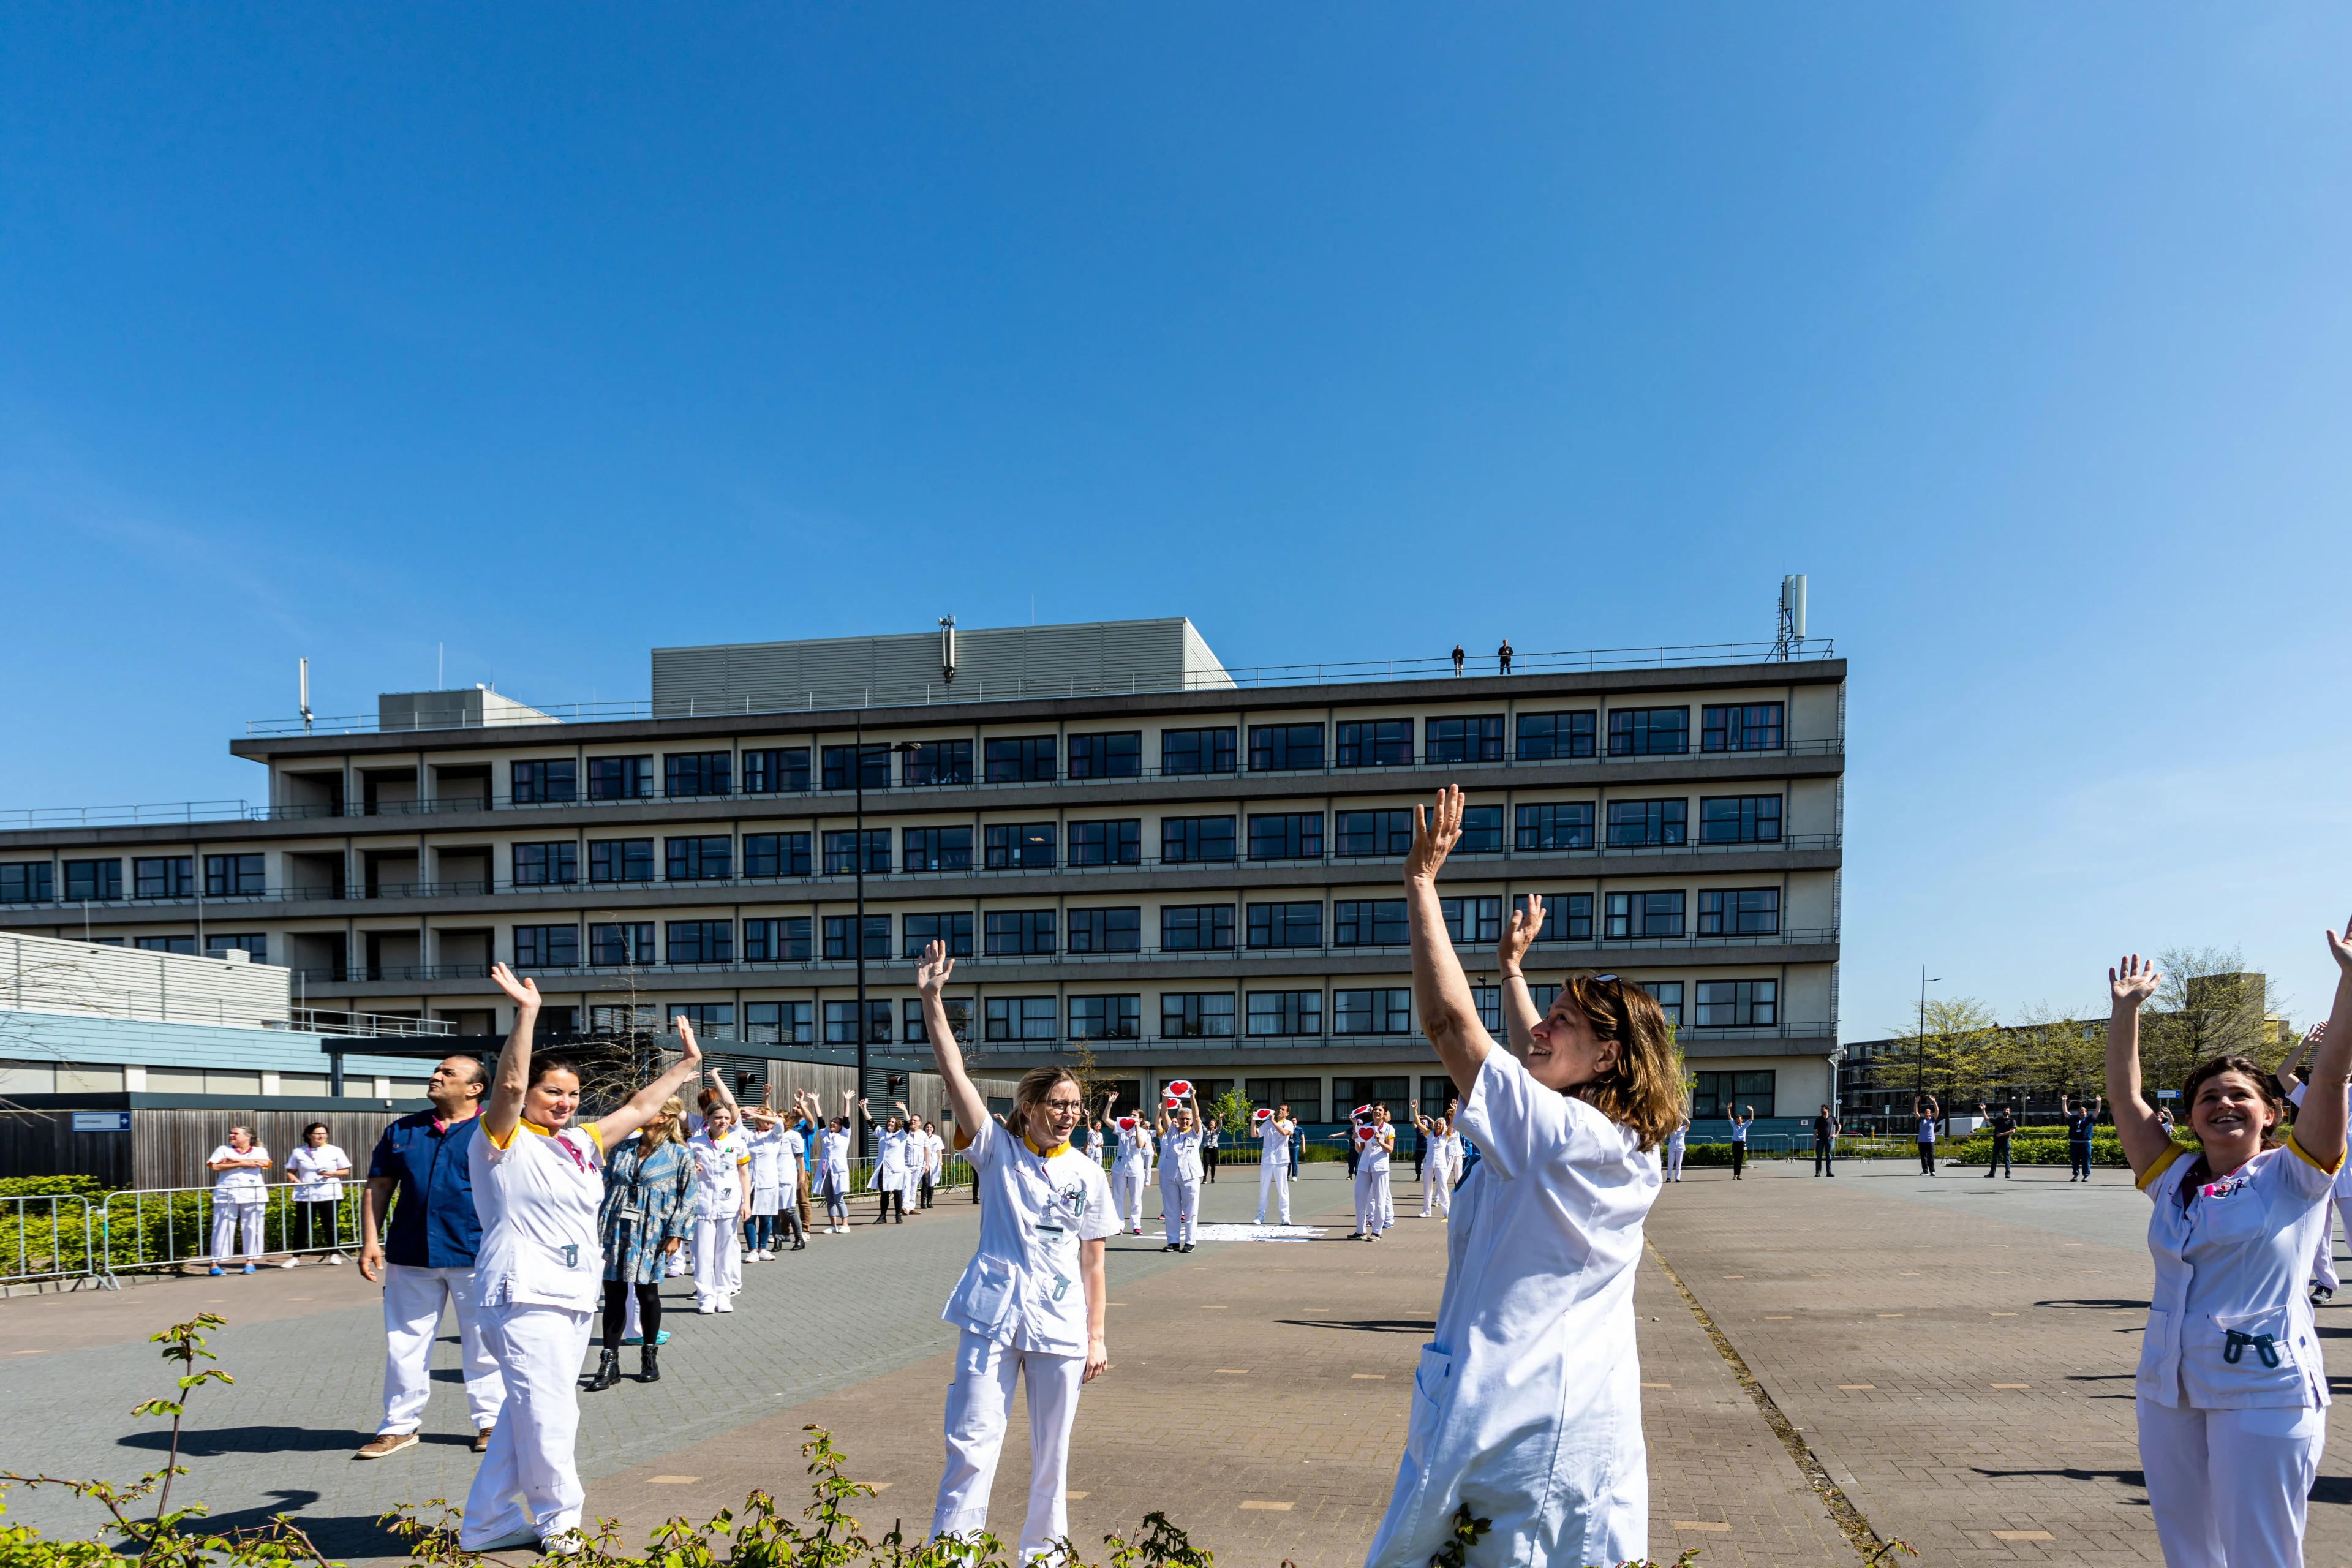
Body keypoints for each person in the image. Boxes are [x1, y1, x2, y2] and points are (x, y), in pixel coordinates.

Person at [1363, 793, 1679, 1567]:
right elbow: (1527, 1059)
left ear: (1608, 1057)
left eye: (1563, 1019)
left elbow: (1450, 1028)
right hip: (1529, 1406)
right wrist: (1510, 968)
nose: (1541, 1025)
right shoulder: (1593, 1134)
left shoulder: (1570, 1140)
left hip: (1533, 1422)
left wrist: (1421, 884)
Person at [2108, 940, 2352, 1568]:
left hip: (2264, 1389)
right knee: (2189, 1552)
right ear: (2190, 1116)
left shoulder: (2296, 1174)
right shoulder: (2173, 1176)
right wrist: (2126, 1012)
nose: (2224, 1102)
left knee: (2260, 1553)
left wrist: (2349, 981)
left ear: (2273, 1113)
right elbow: (2126, 1102)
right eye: (2209, 1096)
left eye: (2241, 1094)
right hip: (2171, 1387)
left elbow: (2328, 1076)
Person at [458, 965, 706, 1555]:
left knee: (527, 1418)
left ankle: (485, 1524)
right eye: (554, 1092)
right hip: (522, 1294)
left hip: (570, 1296)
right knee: (550, 1416)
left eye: (572, 1093)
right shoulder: (500, 1139)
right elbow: (511, 1087)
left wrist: (686, 1067)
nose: (565, 1102)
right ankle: (560, 1524)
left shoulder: (580, 1142)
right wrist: (527, 1014)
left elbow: (642, 1107)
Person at [913, 941, 1115, 1561]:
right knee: (971, 1442)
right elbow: (956, 1076)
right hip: (992, 1317)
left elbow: (1094, 1260)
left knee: (1053, 1458)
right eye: (1057, 1103)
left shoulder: (1088, 1172)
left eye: (1075, 1105)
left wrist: (1098, 1335)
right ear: (1026, 1107)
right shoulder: (997, 1152)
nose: (1068, 1114)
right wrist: (932, 1002)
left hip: (1060, 1325)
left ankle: (1044, 1557)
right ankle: (955, 1554)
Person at [357, 1054, 505, 1460]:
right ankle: (399, 1426)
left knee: (483, 1344)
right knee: (404, 1343)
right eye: (437, 1071)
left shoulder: (494, 1130)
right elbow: (379, 1186)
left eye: (447, 1073)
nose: (435, 1076)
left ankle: (491, 1422)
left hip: (475, 1254)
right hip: (410, 1254)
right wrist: (370, 1240)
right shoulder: (404, 1130)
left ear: (475, 1088)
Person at [587, 1095, 693, 1390]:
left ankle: (649, 1356)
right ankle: (609, 1362)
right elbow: (602, 1186)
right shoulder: (621, 1149)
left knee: (647, 1295)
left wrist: (676, 1234)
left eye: (652, 1108)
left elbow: (688, 1197)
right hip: (617, 1229)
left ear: (664, 1118)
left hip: (653, 1232)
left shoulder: (679, 1154)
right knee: (614, 1296)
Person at [2274, 1024, 2347, 1305]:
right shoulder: (2314, 1095)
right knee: (2317, 1233)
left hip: (2349, 1175)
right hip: (2316, 1171)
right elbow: (2283, 1074)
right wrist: (2306, 1044)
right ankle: (2325, 1282)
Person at [687, 1100, 750, 1313]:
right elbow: (686, 1173)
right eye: (717, 1117)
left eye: (726, 1118)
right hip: (703, 1204)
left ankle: (724, 1295)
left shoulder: (737, 1142)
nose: (722, 1121)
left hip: (729, 1203)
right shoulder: (695, 1144)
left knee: (725, 1252)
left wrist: (747, 1203)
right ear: (707, 1118)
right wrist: (690, 1169)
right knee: (703, 1253)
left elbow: (744, 1174)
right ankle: (706, 1298)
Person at [206, 1126, 271, 1275]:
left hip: (253, 1193)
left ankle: (250, 1262)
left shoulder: (259, 1151)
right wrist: (244, 1163)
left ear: (247, 1137)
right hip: (227, 1193)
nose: (231, 1135)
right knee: (221, 1227)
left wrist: (233, 1161)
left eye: (235, 1133)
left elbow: (264, 1163)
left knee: (252, 1227)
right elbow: (215, 1166)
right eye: (231, 1133)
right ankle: (215, 1263)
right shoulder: (222, 1149)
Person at [285, 1123, 352, 1262]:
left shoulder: (335, 1150)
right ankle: (295, 1257)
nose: (321, 1136)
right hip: (305, 1194)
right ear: (309, 1135)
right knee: (302, 1226)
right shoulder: (299, 1152)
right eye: (317, 1134)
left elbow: (345, 1170)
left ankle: (335, 1254)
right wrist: (294, 1180)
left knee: (330, 1224)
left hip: (329, 1193)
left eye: (324, 1133)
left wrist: (333, 1173)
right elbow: (290, 1171)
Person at [1155, 1095, 1205, 1253]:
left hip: (1190, 1176)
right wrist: (1164, 1098)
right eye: (1182, 1118)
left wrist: (1192, 1097)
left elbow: (1197, 1116)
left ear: (1191, 1120)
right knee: (1171, 1210)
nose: (1184, 1121)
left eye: (1187, 1119)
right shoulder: (1172, 1132)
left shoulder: (1196, 1133)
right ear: (1177, 1118)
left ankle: (1190, 1242)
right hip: (1170, 1175)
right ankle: (1173, 1241)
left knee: (1190, 1211)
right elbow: (1164, 1115)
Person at [1110, 1099, 1152, 1235]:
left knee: (1136, 1199)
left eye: (1134, 1115)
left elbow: (1140, 1145)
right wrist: (1110, 1103)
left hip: (1136, 1169)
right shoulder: (1121, 1129)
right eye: (1131, 1114)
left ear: (1141, 1119)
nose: (1131, 1116)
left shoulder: (1144, 1132)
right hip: (1120, 1168)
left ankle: (1136, 1225)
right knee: (1118, 1198)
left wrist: (1136, 1129)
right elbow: (1105, 1119)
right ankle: (1118, 1225)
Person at [1355, 1107, 1396, 1238]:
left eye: (1380, 1110)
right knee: (1359, 1197)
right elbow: (1360, 1150)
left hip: (1380, 1166)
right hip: (1364, 1165)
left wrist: (1380, 1141)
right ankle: (1361, 1231)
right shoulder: (1365, 1127)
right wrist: (1356, 1139)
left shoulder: (1389, 1129)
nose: (1377, 1112)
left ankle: (1377, 1231)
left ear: (1385, 1114)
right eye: (1375, 1110)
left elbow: (1390, 1150)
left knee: (1380, 1199)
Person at [816, 1095, 855, 1234]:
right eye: (832, 1122)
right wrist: (816, 1101)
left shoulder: (845, 1135)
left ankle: (845, 1224)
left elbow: (846, 1119)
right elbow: (820, 1120)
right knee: (830, 1199)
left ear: (841, 1126)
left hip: (839, 1170)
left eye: (836, 1123)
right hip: (825, 1170)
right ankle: (833, 1225)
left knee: (839, 1198)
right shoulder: (825, 1135)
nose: (833, 1123)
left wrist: (847, 1101)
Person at [873, 1102, 917, 1223]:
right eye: (889, 1122)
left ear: (897, 1124)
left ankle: (898, 1215)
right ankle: (883, 1216)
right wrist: (864, 1109)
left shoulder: (901, 1135)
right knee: (884, 1193)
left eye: (892, 1122)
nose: (890, 1123)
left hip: (896, 1168)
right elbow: (871, 1122)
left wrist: (904, 1110)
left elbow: (908, 1124)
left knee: (897, 1192)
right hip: (883, 1167)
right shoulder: (882, 1133)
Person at [1256, 1104, 1297, 1224]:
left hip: (1281, 1160)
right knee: (1263, 1188)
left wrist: (1273, 1122)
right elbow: (1255, 1134)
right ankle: (1260, 1216)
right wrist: (1254, 1121)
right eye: (1279, 1109)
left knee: (1283, 1189)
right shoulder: (1267, 1123)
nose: (1280, 1111)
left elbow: (1285, 1133)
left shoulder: (1288, 1123)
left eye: (1283, 1110)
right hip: (1267, 1159)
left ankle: (1285, 1217)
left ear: (1287, 1113)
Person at [1415, 1107, 1456, 1217]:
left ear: (1443, 1127)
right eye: (1437, 1123)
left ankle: (1446, 1211)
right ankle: (1427, 1211)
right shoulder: (1429, 1134)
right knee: (1427, 1187)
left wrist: (1455, 1110)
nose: (1438, 1125)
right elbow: (1418, 1123)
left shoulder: (1446, 1135)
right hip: (1428, 1164)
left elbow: (1452, 1124)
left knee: (1442, 1186)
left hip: (1441, 1164)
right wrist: (1415, 1110)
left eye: (1440, 1124)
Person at [2062, 1092, 2104, 1183]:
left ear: (2086, 1113)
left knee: (2086, 1160)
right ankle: (2075, 1175)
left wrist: (2099, 1102)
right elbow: (2065, 1112)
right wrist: (2064, 1101)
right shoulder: (2073, 1118)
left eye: (2083, 1112)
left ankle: (2086, 1176)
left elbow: (2097, 1112)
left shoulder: (2089, 1119)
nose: (2082, 1113)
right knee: (2075, 1160)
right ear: (2078, 1113)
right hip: (2074, 1143)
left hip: (2086, 1143)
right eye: (2080, 1112)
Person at [1978, 1101, 2017, 1179]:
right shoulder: (1998, 1119)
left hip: (2005, 1142)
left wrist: (2002, 1134)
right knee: (1994, 1158)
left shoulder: (2012, 1121)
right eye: (2005, 1110)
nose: (2006, 1111)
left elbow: (2013, 1131)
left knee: (2007, 1158)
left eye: (2007, 1110)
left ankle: (2008, 1174)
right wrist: (1983, 1110)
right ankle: (1992, 1173)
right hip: (1997, 1142)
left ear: (2010, 1112)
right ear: (2002, 1111)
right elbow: (1987, 1119)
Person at [1915, 1096, 1941, 1177]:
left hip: (1930, 1141)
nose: (1927, 1113)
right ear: (1924, 1113)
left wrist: (1934, 1101)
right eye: (1926, 1112)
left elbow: (1937, 1111)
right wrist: (1916, 1103)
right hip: (1921, 1141)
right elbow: (1916, 1113)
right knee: (1923, 1157)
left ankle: (1932, 1171)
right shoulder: (1921, 1120)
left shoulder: (1932, 1120)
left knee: (1930, 1156)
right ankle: (1925, 1171)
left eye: (1928, 1112)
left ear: (1930, 1114)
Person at [1727, 1104, 1754, 1180]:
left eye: (1740, 1120)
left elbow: (1751, 1120)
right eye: (1737, 1120)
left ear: (1742, 1120)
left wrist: (1752, 1111)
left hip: (1742, 1144)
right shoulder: (1734, 1125)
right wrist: (1728, 1109)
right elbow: (1730, 1118)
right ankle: (1735, 1175)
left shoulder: (1745, 1125)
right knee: (1735, 1159)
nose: (1739, 1121)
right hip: (1735, 1143)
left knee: (1740, 1160)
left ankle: (1739, 1175)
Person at [1811, 1106, 1839, 1178]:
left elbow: (1839, 1126)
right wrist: (1814, 1141)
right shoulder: (1818, 1119)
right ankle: (1818, 1172)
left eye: (1823, 1109)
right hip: (1820, 1140)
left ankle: (1829, 1172)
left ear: (1827, 1110)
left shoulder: (1832, 1118)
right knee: (1819, 1156)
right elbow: (1815, 1131)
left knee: (1828, 1155)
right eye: (1821, 1109)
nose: (1821, 1111)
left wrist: (1836, 1135)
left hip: (1829, 1140)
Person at [1664, 1112, 1687, 1183]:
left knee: (1678, 1164)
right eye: (1678, 1122)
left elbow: (1689, 1123)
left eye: (1680, 1122)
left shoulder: (1684, 1129)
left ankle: (1678, 1177)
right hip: (1672, 1148)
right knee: (1670, 1163)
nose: (1679, 1124)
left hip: (1680, 1148)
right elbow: (1667, 1124)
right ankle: (1669, 1177)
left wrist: (1684, 1117)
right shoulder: (1672, 1129)